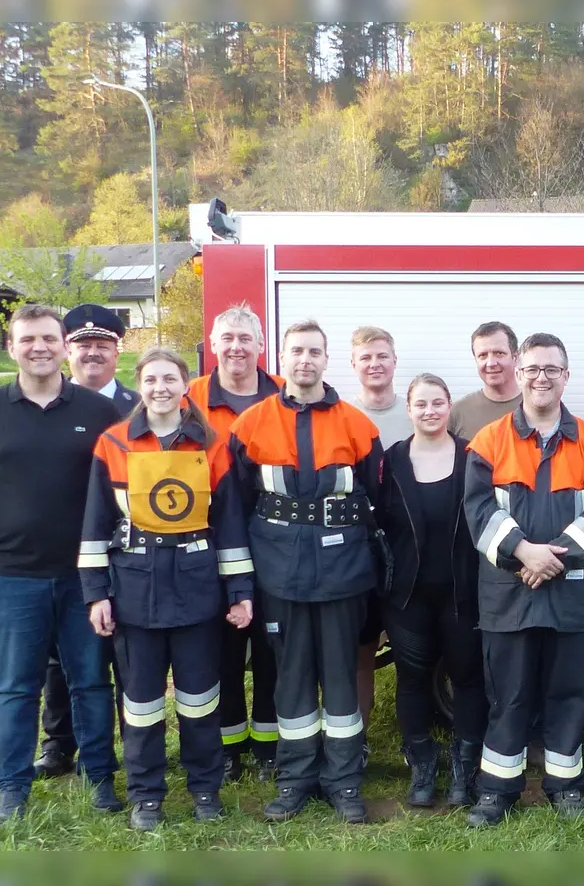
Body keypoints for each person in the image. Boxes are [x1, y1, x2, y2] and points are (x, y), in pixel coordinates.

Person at [0, 304, 123, 822]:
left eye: (49, 338)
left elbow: (120, 487)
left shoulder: (97, 411)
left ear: (63, 343)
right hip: (11, 575)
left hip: (85, 577)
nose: (40, 348)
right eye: (28, 340)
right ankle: (12, 787)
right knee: (16, 686)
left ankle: (100, 779)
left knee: (91, 680)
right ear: (12, 347)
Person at [78, 348, 256, 831]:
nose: (161, 388)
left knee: (201, 700)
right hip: (134, 593)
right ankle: (146, 795)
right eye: (152, 379)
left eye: (170, 379)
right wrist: (96, 593)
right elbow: (96, 523)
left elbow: (230, 524)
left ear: (185, 386)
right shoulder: (113, 444)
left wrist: (240, 590)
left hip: (197, 591)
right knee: (140, 705)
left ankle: (204, 789)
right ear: (141, 385)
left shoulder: (212, 445)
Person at [228, 320, 385, 824]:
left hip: (343, 573)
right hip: (279, 574)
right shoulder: (249, 424)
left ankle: (343, 782)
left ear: (326, 358)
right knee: (290, 679)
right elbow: (236, 505)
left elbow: (375, 505)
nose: (305, 360)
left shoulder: (358, 425)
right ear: (282, 356)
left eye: (315, 351)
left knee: (341, 680)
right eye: (297, 351)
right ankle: (295, 779)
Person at [462, 333, 584, 827]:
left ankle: (565, 785)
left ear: (566, 376)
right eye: (532, 369)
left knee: (569, 693)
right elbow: (477, 510)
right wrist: (522, 552)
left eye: (552, 369)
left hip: (571, 594)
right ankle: (497, 790)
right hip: (509, 594)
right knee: (508, 695)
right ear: (519, 373)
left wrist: (552, 559)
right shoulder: (489, 440)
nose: (541, 377)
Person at [34, 303, 137, 781]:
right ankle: (60, 743)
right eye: (82, 344)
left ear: (118, 351)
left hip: (131, 549)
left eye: (103, 345)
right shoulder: (48, 404)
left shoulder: (140, 404)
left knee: (126, 650)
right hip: (65, 545)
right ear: (67, 351)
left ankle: (129, 739)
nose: (92, 353)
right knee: (62, 655)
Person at [378, 373, 486, 808]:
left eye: (438, 403)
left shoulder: (472, 457)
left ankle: (465, 767)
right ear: (409, 409)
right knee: (413, 680)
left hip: (463, 592)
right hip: (407, 596)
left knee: (467, 679)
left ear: (449, 407)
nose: (430, 411)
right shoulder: (392, 461)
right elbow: (377, 526)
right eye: (421, 404)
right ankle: (421, 765)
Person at [189, 302, 286, 783]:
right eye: (227, 338)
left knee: (270, 648)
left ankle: (269, 747)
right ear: (212, 344)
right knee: (222, 648)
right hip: (208, 544)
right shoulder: (189, 398)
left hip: (274, 542)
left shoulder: (284, 397)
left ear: (261, 347)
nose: (236, 347)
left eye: (245, 338)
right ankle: (228, 744)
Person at [346, 325, 408, 773]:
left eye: (382, 356)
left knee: (412, 654)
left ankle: (414, 740)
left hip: (410, 553)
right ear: (353, 365)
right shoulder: (344, 418)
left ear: (394, 361)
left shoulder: (414, 415)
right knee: (361, 651)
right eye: (366, 357)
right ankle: (357, 741)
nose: (375, 364)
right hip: (361, 556)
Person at [450, 321, 522, 440]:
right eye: (483, 355)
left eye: (499, 353)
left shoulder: (535, 407)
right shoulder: (458, 412)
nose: (491, 363)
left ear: (515, 357)